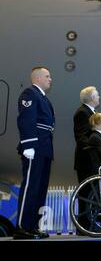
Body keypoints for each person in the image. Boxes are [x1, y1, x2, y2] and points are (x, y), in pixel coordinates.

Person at [14, 67, 55, 240]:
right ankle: (22, 226)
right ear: (37, 78)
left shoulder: (43, 98)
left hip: (44, 148)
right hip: (35, 147)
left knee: (40, 189)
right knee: (31, 187)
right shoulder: (29, 94)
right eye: (47, 76)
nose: (50, 79)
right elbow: (26, 119)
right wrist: (28, 145)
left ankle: (33, 226)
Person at [72, 86, 100, 233]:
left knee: (92, 193)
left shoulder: (90, 112)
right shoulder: (82, 113)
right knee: (86, 194)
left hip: (91, 160)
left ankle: (89, 224)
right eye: (97, 95)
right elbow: (81, 137)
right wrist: (97, 148)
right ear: (91, 98)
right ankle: (84, 226)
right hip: (86, 160)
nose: (99, 97)